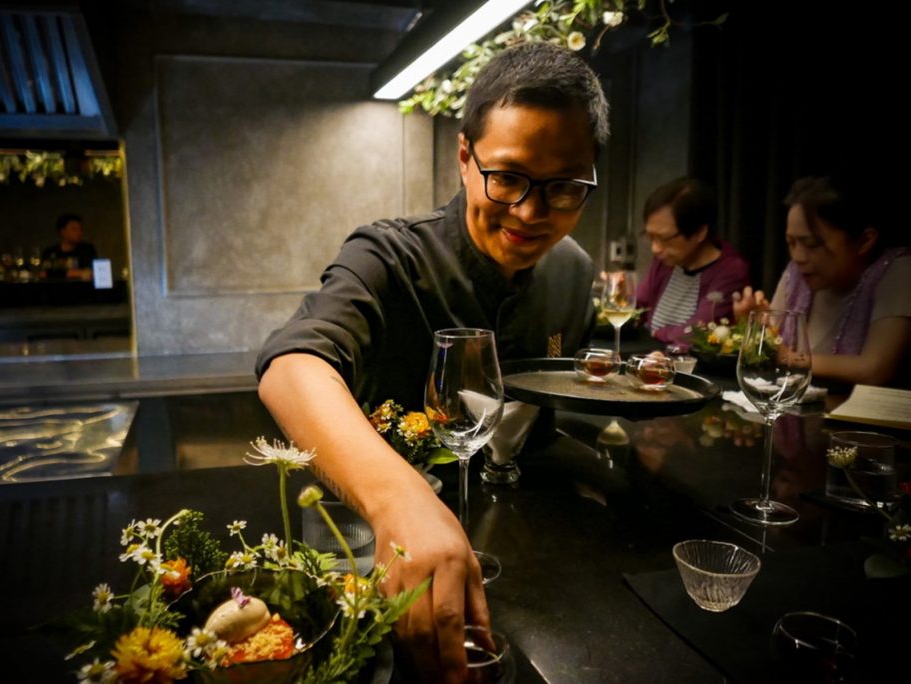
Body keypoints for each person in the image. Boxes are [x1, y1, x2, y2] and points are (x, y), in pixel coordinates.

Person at [256, 41, 608, 681]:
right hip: (383, 568)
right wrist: (402, 501)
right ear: (465, 158)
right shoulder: (388, 255)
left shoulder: (573, 272)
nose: (531, 213)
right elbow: (293, 362)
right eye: (507, 178)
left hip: (528, 575)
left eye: (564, 189)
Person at [733, 175, 911, 387]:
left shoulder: (897, 270)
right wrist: (754, 328)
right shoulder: (797, 273)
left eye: (812, 244)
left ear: (864, 241)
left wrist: (789, 358)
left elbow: (874, 369)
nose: (798, 257)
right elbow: (771, 352)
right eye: (791, 243)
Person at [636, 178, 750, 345]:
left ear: (700, 232)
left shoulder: (731, 270)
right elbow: (639, 308)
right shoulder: (667, 258)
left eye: (664, 238)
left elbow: (694, 334)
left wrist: (656, 333)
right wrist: (623, 297)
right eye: (651, 237)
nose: (655, 248)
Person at [42, 213, 97, 280]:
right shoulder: (49, 252)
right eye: (74, 229)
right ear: (63, 231)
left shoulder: (87, 249)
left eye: (80, 229)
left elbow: (92, 273)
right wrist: (73, 273)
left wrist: (57, 273)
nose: (79, 232)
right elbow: (44, 274)